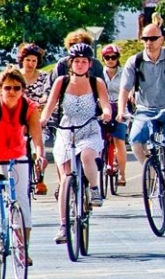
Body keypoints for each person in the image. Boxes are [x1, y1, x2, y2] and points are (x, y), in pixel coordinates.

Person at [116, 24, 165, 214]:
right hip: (145, 110)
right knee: (135, 139)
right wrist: (121, 110)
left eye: (153, 38)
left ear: (161, 39)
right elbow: (124, 89)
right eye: (145, 39)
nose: (148, 43)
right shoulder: (135, 61)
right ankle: (151, 170)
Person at [40, 43, 111, 243]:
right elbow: (50, 105)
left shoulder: (97, 82)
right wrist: (43, 119)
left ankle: (95, 190)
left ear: (90, 64)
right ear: (71, 63)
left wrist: (106, 114)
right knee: (65, 179)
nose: (80, 65)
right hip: (66, 130)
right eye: (76, 61)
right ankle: (63, 225)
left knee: (88, 155)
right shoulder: (61, 82)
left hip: (89, 128)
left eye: (84, 62)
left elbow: (105, 105)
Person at [0, 66, 47, 266]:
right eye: (8, 88)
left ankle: (23, 249)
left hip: (18, 157)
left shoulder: (29, 108)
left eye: (17, 88)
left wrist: (40, 155)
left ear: (23, 89)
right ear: (0, 89)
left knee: (22, 201)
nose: (12, 92)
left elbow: (37, 138)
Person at [17, 43, 50, 195]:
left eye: (34, 61)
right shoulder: (15, 75)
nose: (31, 64)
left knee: (39, 144)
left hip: (38, 117)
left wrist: (42, 100)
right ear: (22, 60)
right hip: (18, 118)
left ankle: (39, 178)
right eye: (28, 60)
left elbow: (47, 93)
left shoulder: (44, 76)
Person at [100, 44, 129, 186]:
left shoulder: (124, 73)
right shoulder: (99, 73)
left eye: (114, 57)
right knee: (99, 140)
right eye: (107, 57)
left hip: (120, 107)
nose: (110, 60)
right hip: (103, 108)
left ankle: (122, 174)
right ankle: (103, 164)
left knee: (119, 141)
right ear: (103, 58)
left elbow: (130, 88)